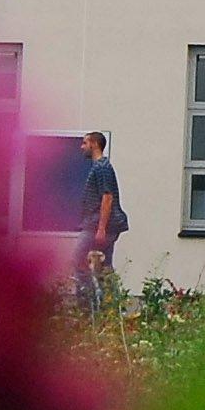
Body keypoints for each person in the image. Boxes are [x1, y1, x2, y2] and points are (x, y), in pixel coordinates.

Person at [73, 129, 126, 309]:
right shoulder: (100, 167)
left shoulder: (102, 167)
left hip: (98, 225)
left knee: (78, 260)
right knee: (105, 268)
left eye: (85, 143)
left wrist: (101, 228)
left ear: (94, 144)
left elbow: (107, 197)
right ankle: (109, 307)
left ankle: (87, 306)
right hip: (102, 224)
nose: (82, 147)